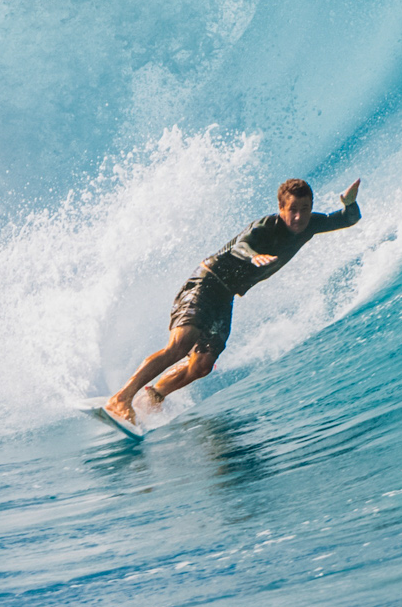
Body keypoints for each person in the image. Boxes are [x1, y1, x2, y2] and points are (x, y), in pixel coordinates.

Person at [105, 176, 362, 426]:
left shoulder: (311, 224)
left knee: (202, 365)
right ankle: (121, 398)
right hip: (207, 281)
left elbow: (348, 219)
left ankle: (154, 395)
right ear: (281, 209)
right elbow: (241, 246)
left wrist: (349, 203)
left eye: (304, 209)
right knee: (180, 345)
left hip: (225, 295)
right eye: (292, 209)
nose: (298, 216)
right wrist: (254, 256)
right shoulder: (265, 227)